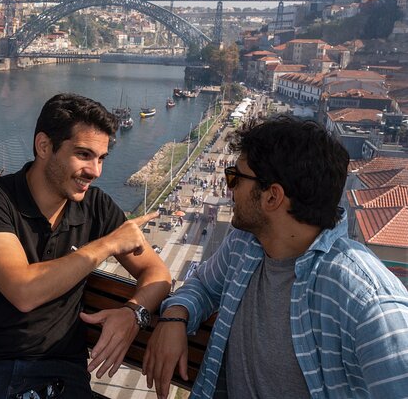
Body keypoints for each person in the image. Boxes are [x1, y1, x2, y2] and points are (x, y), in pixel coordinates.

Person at [143, 115, 408, 399]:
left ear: (272, 197)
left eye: (235, 177)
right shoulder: (245, 244)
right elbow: (204, 286)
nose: (229, 187)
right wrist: (174, 317)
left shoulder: (368, 302)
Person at [0, 93, 171, 398]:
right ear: (44, 146)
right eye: (84, 155)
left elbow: (157, 273)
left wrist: (133, 313)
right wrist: (107, 245)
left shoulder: (96, 206)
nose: (96, 171)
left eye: (101, 158)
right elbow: (23, 291)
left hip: (60, 370)